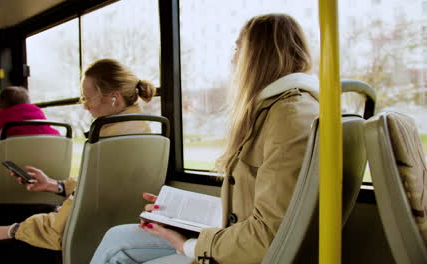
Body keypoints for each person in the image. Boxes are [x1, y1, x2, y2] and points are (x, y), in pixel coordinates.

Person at [90, 13, 320, 264]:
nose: (233, 59)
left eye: (237, 48)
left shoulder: (288, 117)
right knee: (116, 238)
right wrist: (181, 210)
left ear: (257, 55)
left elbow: (270, 235)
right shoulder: (274, 110)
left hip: (247, 252)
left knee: (117, 253)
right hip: (237, 235)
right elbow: (257, 205)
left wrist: (189, 245)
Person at [0, 58, 156, 263]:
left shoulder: (107, 144)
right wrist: (56, 185)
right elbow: (95, 191)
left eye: (87, 98)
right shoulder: (141, 134)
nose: (85, 107)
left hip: (75, 237)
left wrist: (14, 230)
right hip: (100, 226)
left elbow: (61, 227)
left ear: (114, 98)